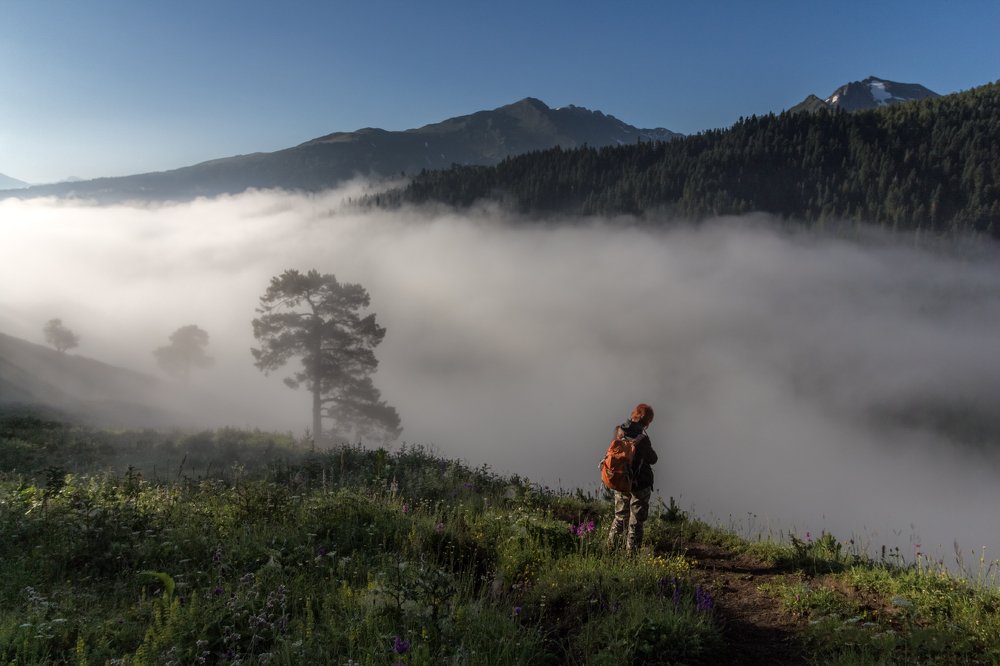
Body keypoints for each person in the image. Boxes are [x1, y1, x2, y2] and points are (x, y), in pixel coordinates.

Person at [606, 403, 657, 553]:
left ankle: (610, 551)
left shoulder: (619, 430)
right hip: (640, 484)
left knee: (620, 518)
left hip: (621, 480)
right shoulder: (643, 439)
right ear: (647, 421)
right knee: (636, 522)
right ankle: (631, 556)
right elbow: (653, 459)